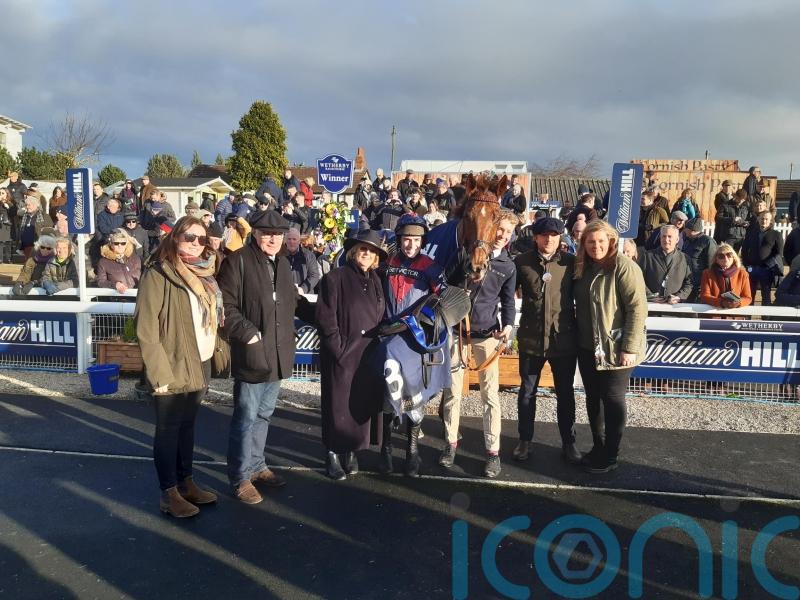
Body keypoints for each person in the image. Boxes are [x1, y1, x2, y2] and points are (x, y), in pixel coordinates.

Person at [217, 210, 308, 505]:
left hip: (279, 354)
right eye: (267, 233)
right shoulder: (238, 260)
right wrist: (248, 332)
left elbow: (292, 302)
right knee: (245, 417)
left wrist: (329, 314)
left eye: (277, 234)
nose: (272, 238)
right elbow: (225, 307)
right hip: (253, 352)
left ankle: (257, 466)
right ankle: (240, 476)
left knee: (264, 414)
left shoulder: (282, 263)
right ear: (255, 233)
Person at [135, 216, 220, 517]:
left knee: (187, 427)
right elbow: (146, 328)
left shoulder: (206, 272)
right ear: (175, 238)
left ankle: (186, 483)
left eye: (201, 238)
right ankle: (168, 492)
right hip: (170, 363)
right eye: (189, 237)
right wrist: (158, 373)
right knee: (168, 429)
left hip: (200, 360)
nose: (196, 243)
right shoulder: (158, 273)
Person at [439, 210, 518, 478]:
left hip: (488, 335)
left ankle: (493, 452)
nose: (503, 237)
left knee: (490, 395)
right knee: (453, 392)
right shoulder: (463, 254)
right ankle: (450, 444)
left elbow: (508, 302)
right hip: (459, 332)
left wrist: (509, 325)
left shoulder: (508, 266)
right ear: (491, 229)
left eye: (508, 233)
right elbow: (445, 284)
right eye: (500, 230)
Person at [377, 214, 448, 478]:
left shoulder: (431, 267)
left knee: (414, 399)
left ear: (422, 241)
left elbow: (444, 302)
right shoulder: (385, 264)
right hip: (387, 339)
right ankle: (385, 449)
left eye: (415, 240)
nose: (410, 244)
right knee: (387, 396)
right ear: (399, 239)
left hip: (415, 341)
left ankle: (412, 452)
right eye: (406, 239)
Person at [573, 220, 647, 473]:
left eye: (601, 241)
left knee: (613, 399)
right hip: (587, 346)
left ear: (611, 242)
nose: (596, 246)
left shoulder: (624, 268)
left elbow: (637, 308)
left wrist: (630, 347)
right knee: (593, 398)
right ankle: (598, 446)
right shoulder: (582, 267)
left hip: (616, 347)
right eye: (591, 242)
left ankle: (611, 454)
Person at [507, 216, 581, 465]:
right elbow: (506, 294)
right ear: (536, 237)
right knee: (527, 394)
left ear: (560, 237)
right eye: (544, 235)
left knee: (565, 395)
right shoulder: (521, 262)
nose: (548, 239)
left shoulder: (571, 262)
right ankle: (524, 440)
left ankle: (569, 443)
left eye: (553, 235)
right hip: (531, 340)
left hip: (564, 341)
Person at [315, 229, 387, 480]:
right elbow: (325, 318)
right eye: (363, 248)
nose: (367, 253)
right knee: (337, 405)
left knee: (358, 404)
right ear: (354, 251)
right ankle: (332, 453)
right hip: (342, 354)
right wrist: (338, 349)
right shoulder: (335, 278)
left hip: (367, 355)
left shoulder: (377, 280)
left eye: (372, 250)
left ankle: (352, 451)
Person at [639, 224, 693, 303]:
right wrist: (650, 296)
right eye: (663, 236)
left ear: (677, 239)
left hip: (674, 309)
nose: (666, 239)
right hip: (652, 306)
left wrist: (679, 297)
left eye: (669, 236)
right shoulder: (647, 256)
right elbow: (639, 279)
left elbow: (689, 283)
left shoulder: (685, 259)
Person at [741, 211, 784, 306]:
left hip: (767, 270)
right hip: (751, 269)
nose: (764, 221)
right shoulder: (751, 233)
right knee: (749, 295)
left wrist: (770, 265)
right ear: (758, 219)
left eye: (766, 219)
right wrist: (746, 265)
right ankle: (748, 319)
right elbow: (744, 250)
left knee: (766, 295)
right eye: (762, 218)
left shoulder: (776, 234)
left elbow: (779, 253)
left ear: (771, 221)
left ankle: (766, 319)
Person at [700, 244, 752, 308]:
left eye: (729, 255)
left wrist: (738, 303)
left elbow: (747, 298)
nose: (725, 258)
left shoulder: (742, 273)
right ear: (716, 259)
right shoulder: (707, 273)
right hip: (714, 313)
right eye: (721, 256)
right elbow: (704, 296)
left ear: (734, 258)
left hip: (735, 314)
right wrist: (721, 302)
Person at [681, 217, 717, 302]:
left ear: (692, 230)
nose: (684, 230)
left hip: (700, 284)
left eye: (686, 228)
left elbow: (711, 264)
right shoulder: (687, 240)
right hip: (687, 281)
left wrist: (706, 283)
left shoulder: (708, 241)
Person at [284, 227, 321, 294]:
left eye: (294, 239)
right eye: (289, 239)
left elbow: (314, 275)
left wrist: (303, 289)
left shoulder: (309, 255)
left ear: (299, 241)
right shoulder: (279, 255)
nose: (291, 241)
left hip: (305, 295)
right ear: (285, 240)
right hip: (285, 294)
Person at [18, 194, 53, 258]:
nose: (27, 207)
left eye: (29, 205)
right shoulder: (25, 216)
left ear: (36, 206)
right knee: (28, 264)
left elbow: (50, 230)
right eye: (26, 205)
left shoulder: (44, 216)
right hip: (26, 246)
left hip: (39, 246)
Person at [0, 188, 14, 263]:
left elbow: (13, 214)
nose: (1, 195)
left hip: (8, 226)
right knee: (0, 242)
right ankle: (0, 259)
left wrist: (8, 207)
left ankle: (9, 259)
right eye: (0, 193)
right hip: (1, 225)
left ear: (7, 194)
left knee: (8, 242)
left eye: (3, 193)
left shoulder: (10, 203)